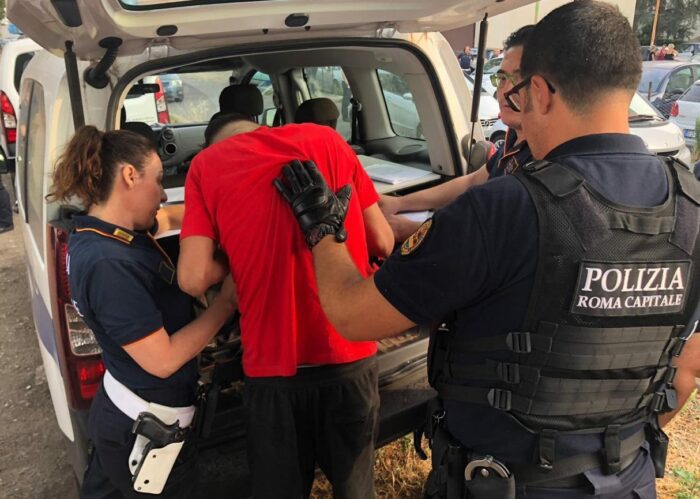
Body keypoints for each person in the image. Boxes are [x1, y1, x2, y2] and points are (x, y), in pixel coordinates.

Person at [274, 2, 700, 498]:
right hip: (627, 479)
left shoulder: (502, 209)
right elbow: (687, 369)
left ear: (538, 91)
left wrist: (322, 228)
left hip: (503, 484)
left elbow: (352, 315)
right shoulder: (688, 206)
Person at [177, 114, 394, 498]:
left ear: (212, 143)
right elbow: (382, 240)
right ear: (261, 125)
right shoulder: (327, 140)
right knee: (356, 490)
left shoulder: (206, 167)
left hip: (273, 370)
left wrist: (238, 256)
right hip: (348, 355)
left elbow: (192, 278)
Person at [47, 126, 237, 498]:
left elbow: (167, 219)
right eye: (159, 179)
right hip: (144, 429)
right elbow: (163, 360)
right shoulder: (108, 264)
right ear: (129, 176)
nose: (164, 194)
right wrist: (226, 303)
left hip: (124, 405)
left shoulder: (102, 230)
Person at [380, 25, 533, 241]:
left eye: (517, 79)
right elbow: (473, 181)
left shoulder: (543, 162)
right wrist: (399, 203)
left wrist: (412, 230)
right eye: (501, 79)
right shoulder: (513, 141)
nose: (505, 90)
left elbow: (496, 240)